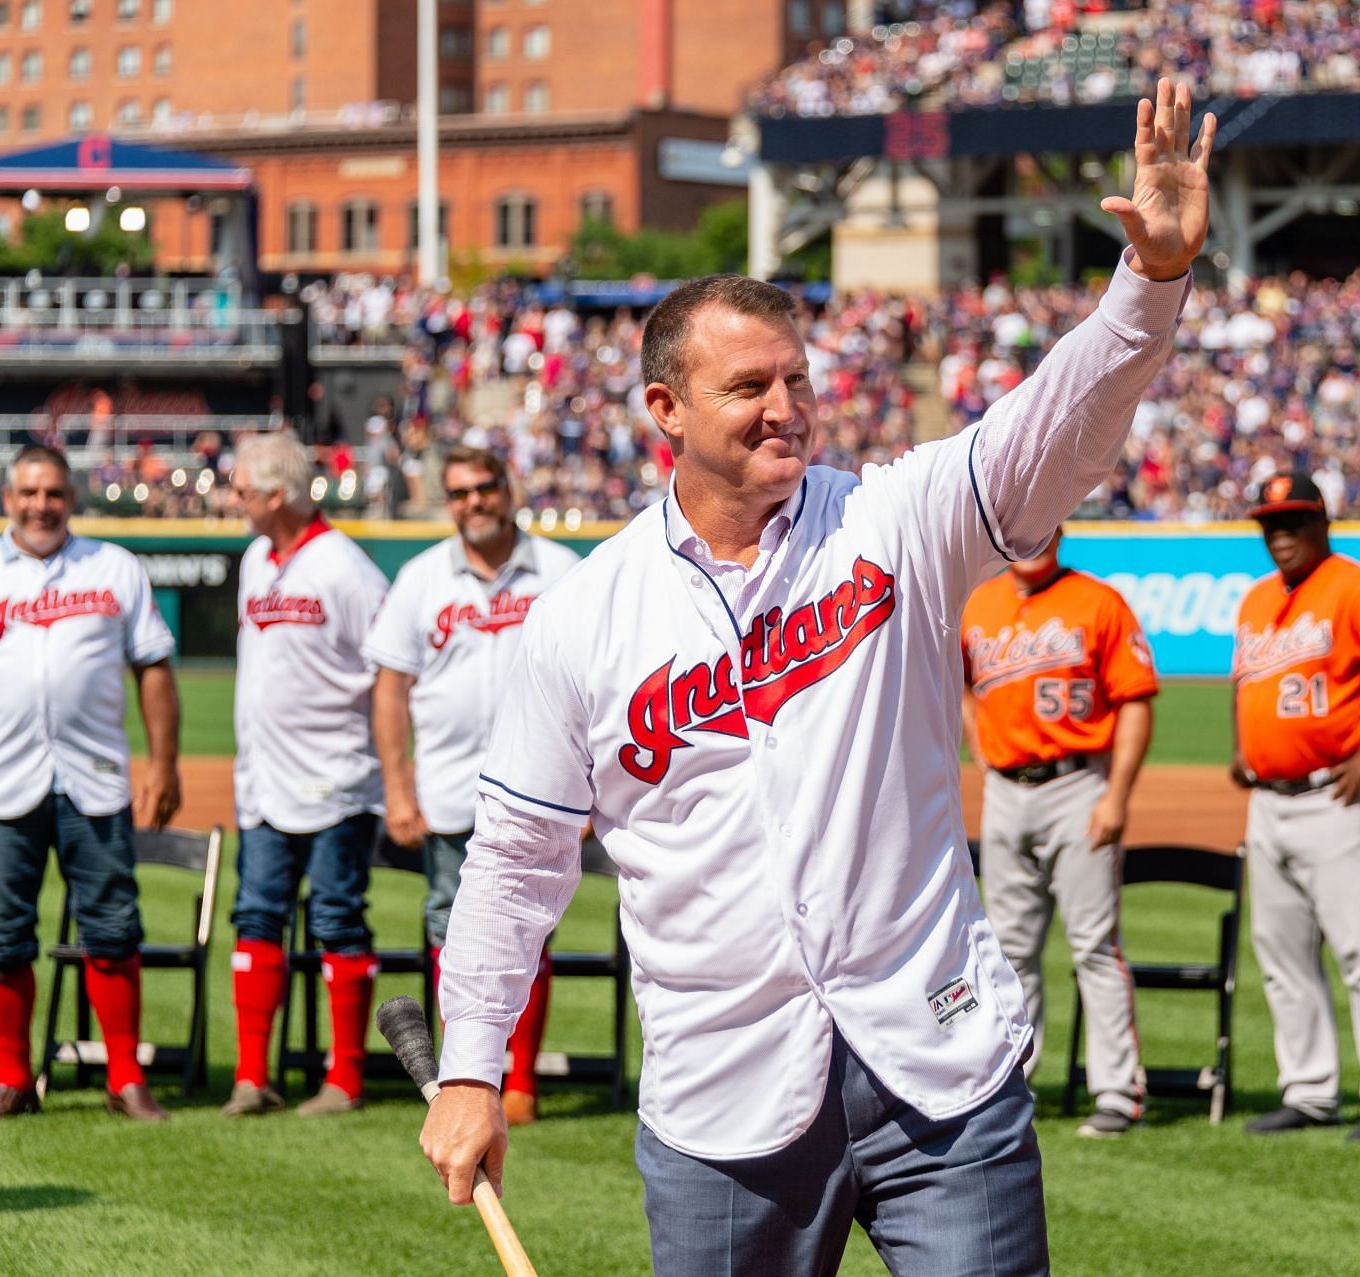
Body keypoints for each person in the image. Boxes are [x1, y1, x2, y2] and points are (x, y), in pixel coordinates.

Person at [421, 84, 1214, 1277]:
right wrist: (473, 1066)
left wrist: (1145, 284)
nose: (786, 407)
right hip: (722, 1095)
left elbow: (1056, 427)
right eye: (748, 388)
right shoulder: (581, 615)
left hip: (937, 1060)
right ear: (664, 410)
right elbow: (519, 858)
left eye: (795, 378)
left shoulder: (891, 521)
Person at [0, 445, 182, 1122]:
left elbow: (153, 668)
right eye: (29, 492)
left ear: (72, 499)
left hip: (94, 777)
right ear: (8, 499)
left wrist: (164, 762)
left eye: (54, 493)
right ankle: (11, 1077)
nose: (41, 505)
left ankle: (124, 1076)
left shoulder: (113, 566)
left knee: (113, 925)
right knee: (0, 933)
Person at [364, 446, 581, 1126]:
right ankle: (467, 1074)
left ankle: (521, 1079)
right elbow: (391, 688)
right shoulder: (423, 578)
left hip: (541, 788)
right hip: (452, 790)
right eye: (458, 492)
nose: (474, 502)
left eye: (485, 487)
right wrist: (398, 788)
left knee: (532, 930)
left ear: (508, 487)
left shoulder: (561, 571)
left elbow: (595, 685)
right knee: (447, 926)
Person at [1230, 472, 1360, 1141]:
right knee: (1283, 954)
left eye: (1293, 520)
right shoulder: (1257, 600)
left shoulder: (1356, 587)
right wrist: (1246, 748)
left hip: (1342, 795)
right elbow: (1250, 686)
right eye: (1270, 523)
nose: (1281, 534)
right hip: (1271, 802)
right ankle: (1310, 1090)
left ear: (1322, 523)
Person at [959, 528, 1156, 1139]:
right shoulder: (978, 603)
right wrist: (980, 745)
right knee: (1009, 949)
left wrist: (1116, 795)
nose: (1035, 542)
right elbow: (963, 687)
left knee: (1095, 945)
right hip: (1007, 793)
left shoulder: (1099, 602)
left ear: (1062, 535)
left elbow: (1136, 700)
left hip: (1078, 785)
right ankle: (1014, 1083)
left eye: (1046, 531)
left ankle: (1118, 1092)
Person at [221, 433, 389, 1119]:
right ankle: (250, 1075)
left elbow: (389, 668)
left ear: (276, 494)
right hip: (263, 780)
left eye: (241, 490)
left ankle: (344, 1079)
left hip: (336, 778)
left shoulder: (345, 568)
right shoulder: (258, 559)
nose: (233, 500)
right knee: (257, 914)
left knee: (337, 917)